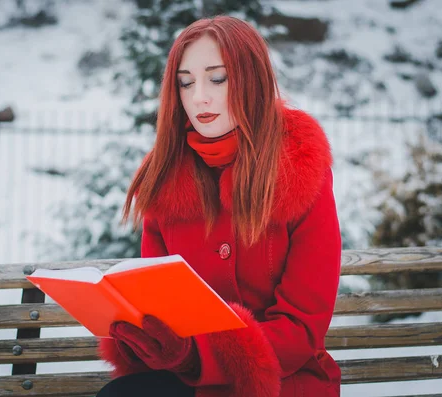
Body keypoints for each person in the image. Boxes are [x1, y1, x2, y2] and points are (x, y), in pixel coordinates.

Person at [96, 15, 342, 397]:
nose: (199, 98)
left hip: (284, 384)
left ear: (251, 79)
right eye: (186, 82)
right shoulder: (165, 177)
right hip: (190, 385)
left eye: (217, 78)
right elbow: (161, 303)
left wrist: (198, 358)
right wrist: (145, 342)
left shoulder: (301, 168)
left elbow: (302, 327)